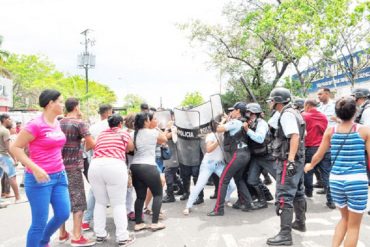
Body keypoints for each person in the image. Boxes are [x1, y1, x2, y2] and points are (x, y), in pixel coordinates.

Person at [304, 97, 370, 247]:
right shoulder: (364, 131)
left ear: (337, 113)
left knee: (344, 220)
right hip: (356, 182)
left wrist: (310, 165)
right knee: (353, 226)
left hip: (336, 181)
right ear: (355, 111)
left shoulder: (331, 131)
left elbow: (319, 155)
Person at [10, 89, 70, 247]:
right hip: (38, 179)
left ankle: (43, 242)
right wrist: (35, 168)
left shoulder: (57, 122)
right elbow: (15, 147)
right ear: (51, 103)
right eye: (60, 101)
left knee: (63, 214)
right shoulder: (35, 124)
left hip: (59, 176)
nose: (63, 104)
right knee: (39, 223)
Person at [266, 88, 306, 246]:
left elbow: (294, 136)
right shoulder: (294, 112)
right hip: (298, 158)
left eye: (271, 100)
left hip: (288, 160)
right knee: (298, 192)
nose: (270, 102)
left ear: (277, 100)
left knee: (284, 196)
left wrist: (289, 160)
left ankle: (285, 235)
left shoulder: (287, 114)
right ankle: (300, 222)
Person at [89, 114, 135, 246]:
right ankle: (122, 237)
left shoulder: (102, 134)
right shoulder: (123, 133)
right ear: (120, 123)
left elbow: (96, 146)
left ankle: (100, 234)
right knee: (118, 203)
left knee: (100, 202)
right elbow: (130, 148)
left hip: (95, 165)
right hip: (115, 165)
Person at [58, 98, 95, 246]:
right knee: (78, 202)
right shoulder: (80, 123)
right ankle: (77, 236)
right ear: (76, 107)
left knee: (61, 202)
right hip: (73, 167)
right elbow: (91, 143)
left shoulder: (58, 123)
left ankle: (62, 233)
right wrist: (81, 150)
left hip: (58, 167)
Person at [208, 102, 256, 216]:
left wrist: (224, 119)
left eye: (233, 110)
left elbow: (218, 129)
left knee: (223, 180)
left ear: (238, 111)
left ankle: (218, 209)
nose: (231, 112)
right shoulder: (242, 122)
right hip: (245, 154)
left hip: (238, 155)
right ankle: (249, 203)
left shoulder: (235, 122)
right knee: (239, 179)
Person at [183, 131, 236, 215]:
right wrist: (218, 141)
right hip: (208, 164)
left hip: (220, 165)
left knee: (232, 185)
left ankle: (226, 199)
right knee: (199, 185)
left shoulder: (227, 135)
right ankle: (188, 206)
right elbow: (208, 149)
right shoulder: (211, 135)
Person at [131, 112, 167, 231]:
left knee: (140, 196)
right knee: (158, 194)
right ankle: (155, 223)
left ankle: (138, 223)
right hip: (148, 166)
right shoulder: (152, 132)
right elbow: (164, 139)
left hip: (135, 166)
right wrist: (157, 128)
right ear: (146, 121)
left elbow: (130, 149)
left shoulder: (133, 134)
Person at [82, 104, 113, 231]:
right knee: (118, 194)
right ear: (107, 112)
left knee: (94, 192)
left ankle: (86, 220)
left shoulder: (93, 127)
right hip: (113, 162)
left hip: (95, 162)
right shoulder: (112, 125)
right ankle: (125, 217)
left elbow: (87, 147)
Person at [302, 99, 335, 209]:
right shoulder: (324, 116)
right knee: (327, 175)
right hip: (325, 147)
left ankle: (309, 192)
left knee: (308, 171)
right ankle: (331, 201)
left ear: (307, 105)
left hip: (311, 148)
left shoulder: (304, 116)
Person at [244, 103, 276, 210]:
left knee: (280, 178)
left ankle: (288, 200)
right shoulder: (250, 123)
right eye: (248, 113)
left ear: (257, 114)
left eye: (252, 113)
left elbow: (260, 139)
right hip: (256, 157)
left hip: (267, 156)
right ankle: (263, 201)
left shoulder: (261, 123)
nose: (250, 115)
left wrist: (247, 130)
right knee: (252, 180)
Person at [0, 114, 22, 203]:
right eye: (9, 119)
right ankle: (18, 198)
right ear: (4, 120)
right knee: (12, 176)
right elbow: (8, 147)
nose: (11, 121)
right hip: (3, 156)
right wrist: (15, 159)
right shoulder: (5, 131)